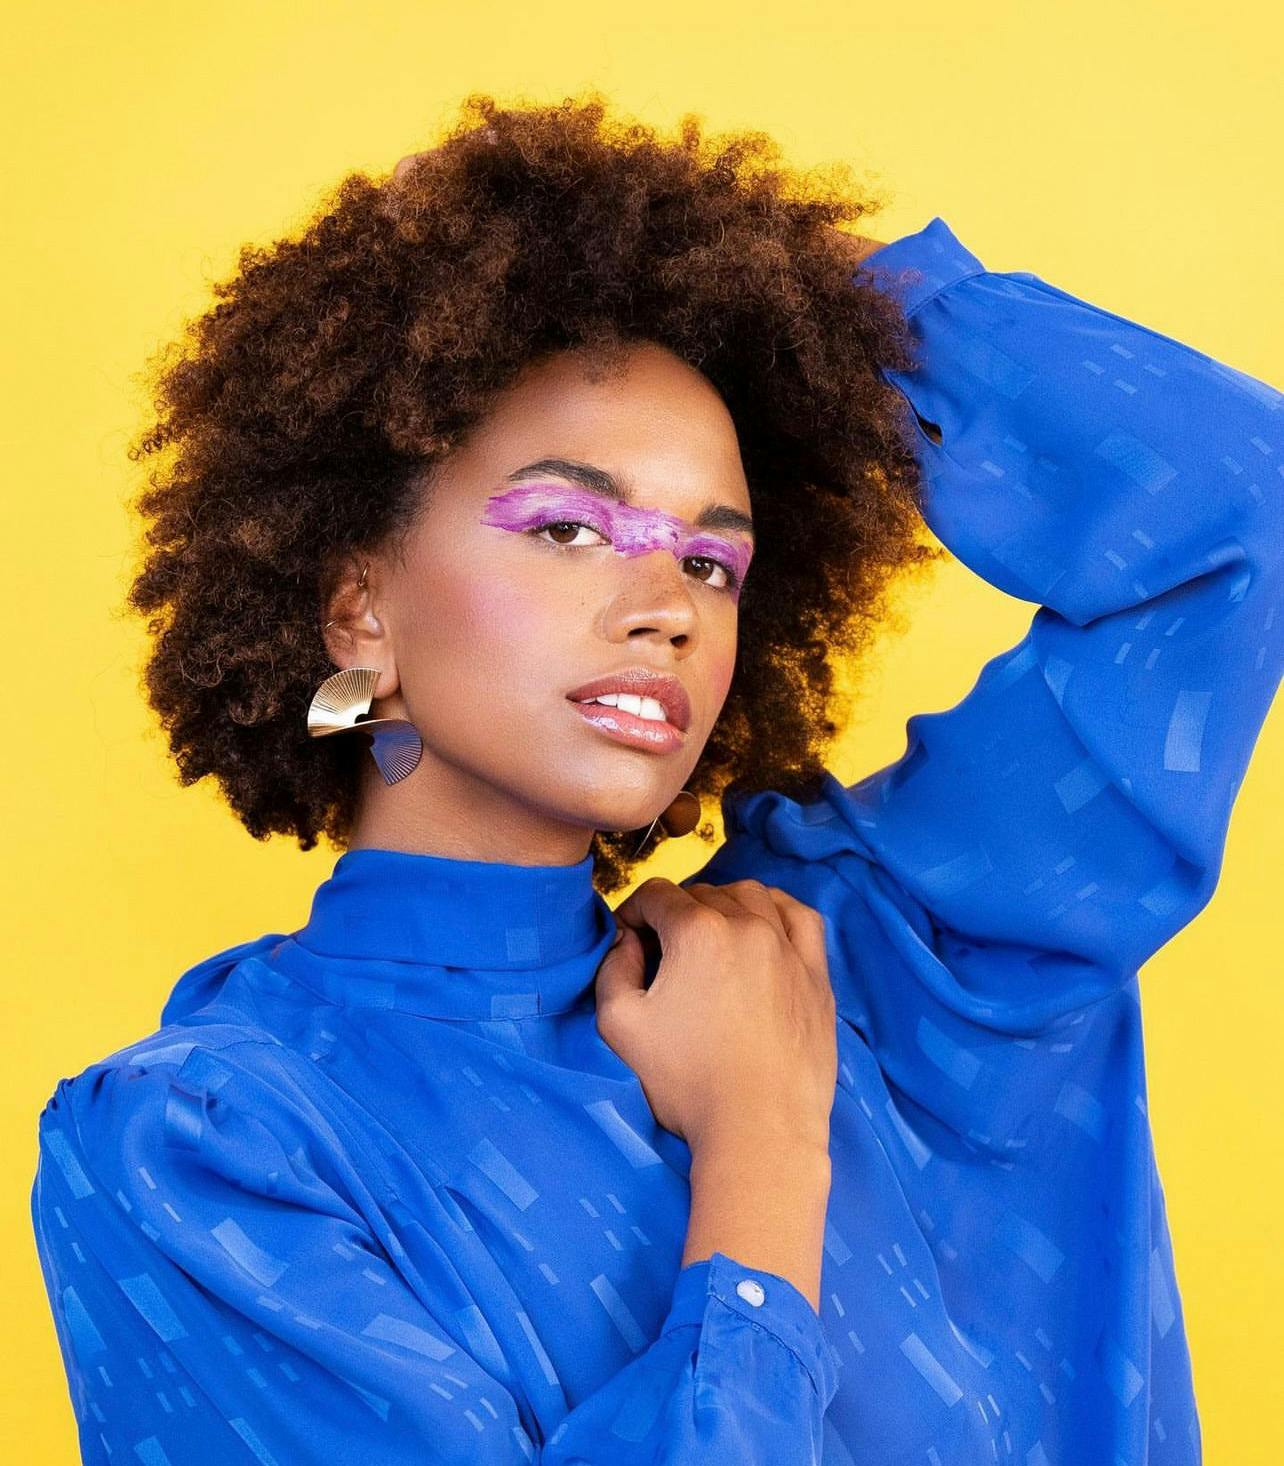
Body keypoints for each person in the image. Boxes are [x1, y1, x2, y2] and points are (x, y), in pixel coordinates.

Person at [30, 93, 1281, 1465]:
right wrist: (761, 1143)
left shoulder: (869, 959)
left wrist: (825, 305)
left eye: (711, 559)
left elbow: (1238, 520)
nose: (665, 606)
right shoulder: (203, 1151)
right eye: (569, 524)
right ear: (357, 612)